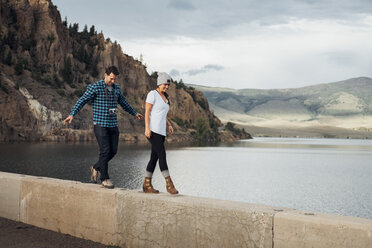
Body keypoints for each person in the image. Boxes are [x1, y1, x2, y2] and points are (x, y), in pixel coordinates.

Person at [63, 66, 143, 189]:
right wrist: (72, 114)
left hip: (113, 125)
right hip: (100, 125)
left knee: (113, 151)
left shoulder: (116, 88)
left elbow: (123, 102)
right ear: (105, 75)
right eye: (111, 79)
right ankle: (104, 178)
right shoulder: (95, 87)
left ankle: (95, 167)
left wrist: (134, 113)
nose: (112, 81)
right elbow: (82, 100)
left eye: (114, 79)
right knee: (105, 151)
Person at [143, 72, 178, 194]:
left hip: (162, 131)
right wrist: (147, 128)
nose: (166, 87)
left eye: (168, 85)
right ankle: (169, 184)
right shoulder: (152, 94)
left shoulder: (165, 97)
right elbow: (147, 112)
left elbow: (162, 114)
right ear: (159, 83)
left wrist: (169, 125)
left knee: (154, 158)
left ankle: (146, 185)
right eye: (165, 84)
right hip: (153, 131)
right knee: (162, 155)